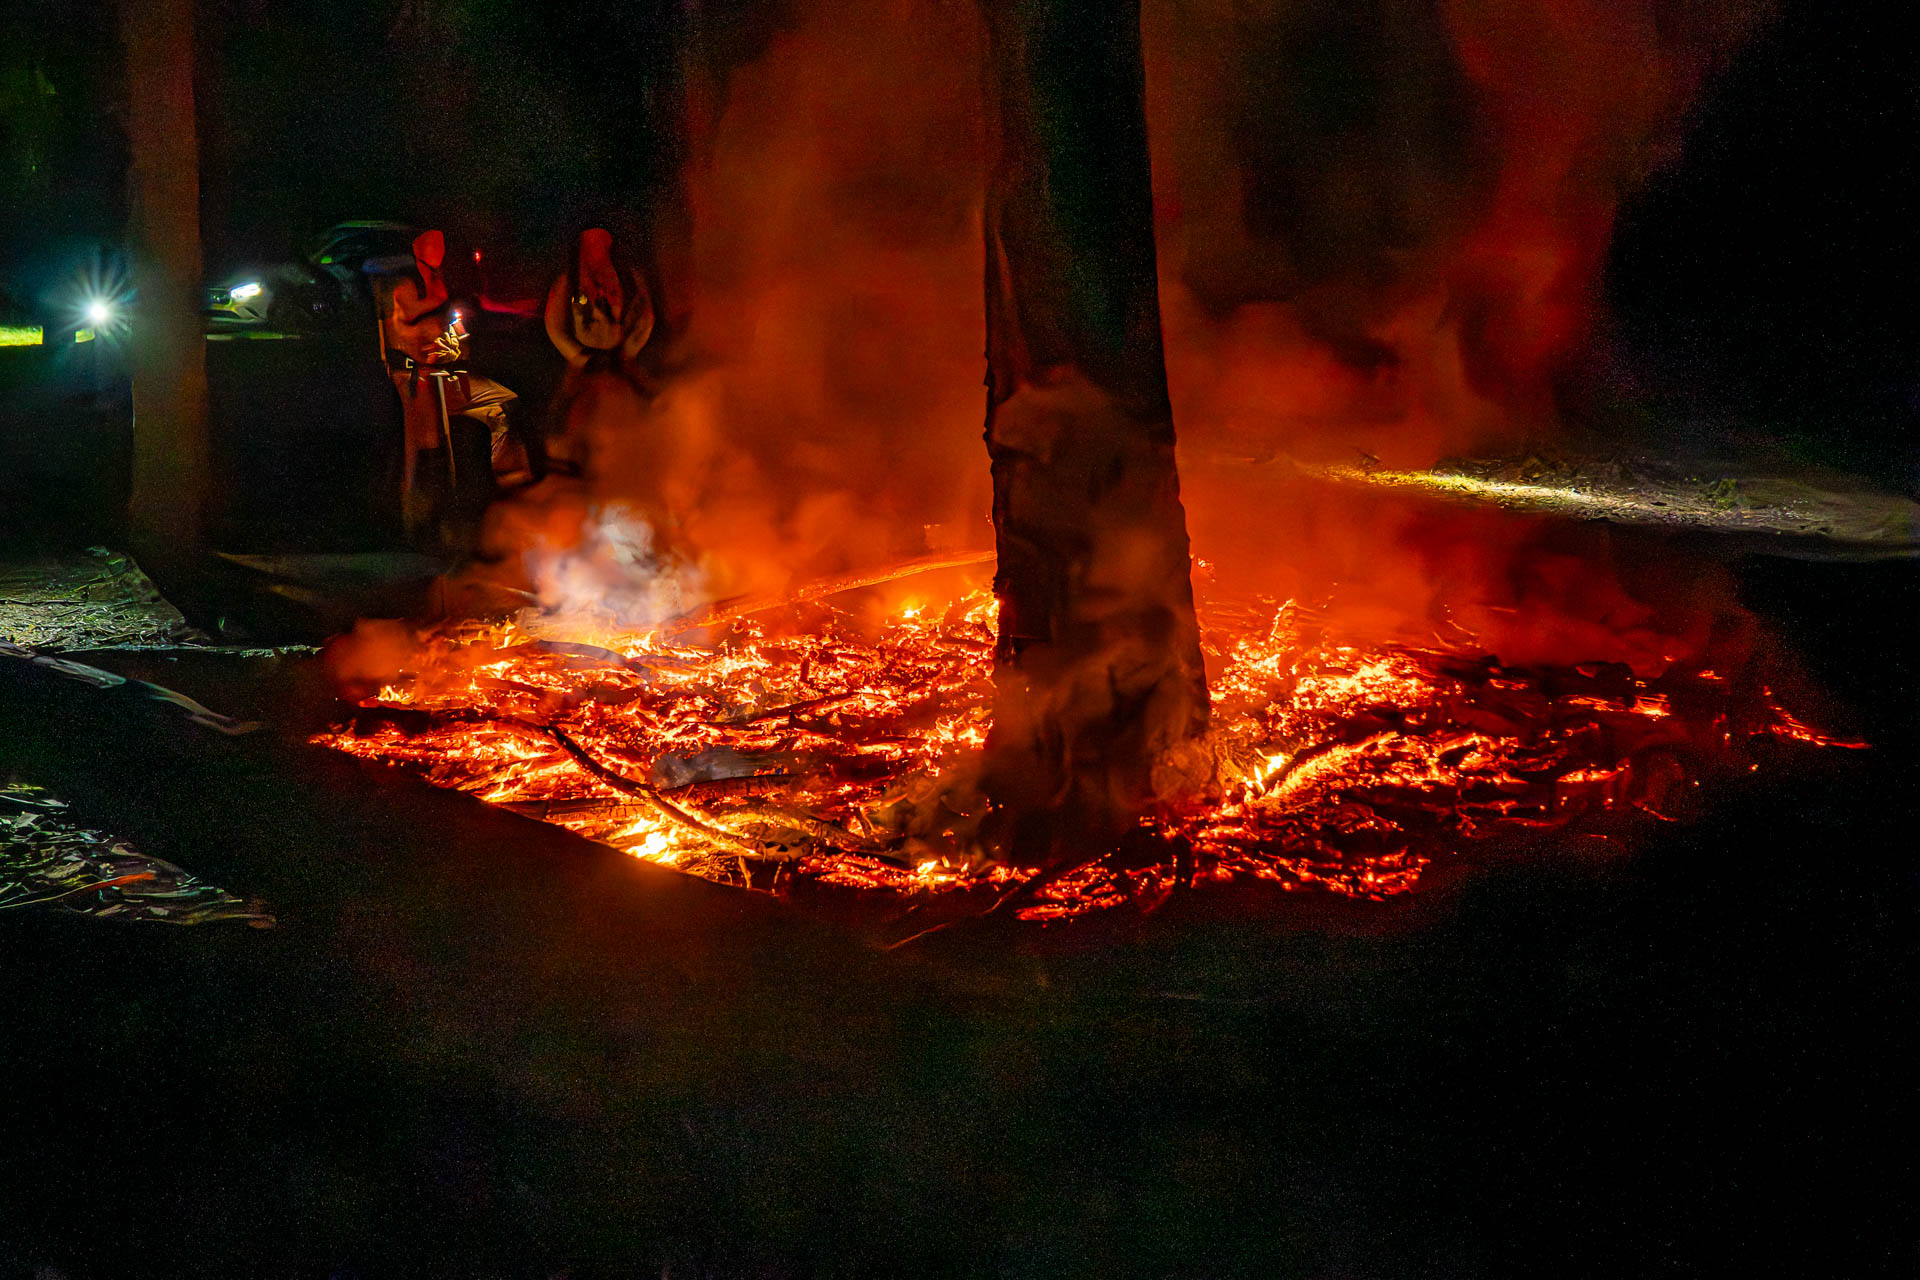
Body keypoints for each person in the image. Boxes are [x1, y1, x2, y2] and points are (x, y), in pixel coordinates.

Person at [381, 229, 528, 540]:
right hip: (419, 376)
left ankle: (508, 479)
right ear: (419, 250)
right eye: (431, 247)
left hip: (448, 374)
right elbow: (403, 325)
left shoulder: (443, 284)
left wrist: (459, 331)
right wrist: (435, 315)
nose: (439, 253)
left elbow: (456, 329)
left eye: (441, 247)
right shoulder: (406, 287)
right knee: (423, 443)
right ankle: (416, 511)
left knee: (501, 405)